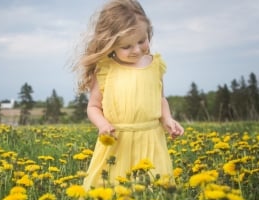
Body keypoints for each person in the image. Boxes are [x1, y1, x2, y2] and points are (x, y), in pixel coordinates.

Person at [72, 0, 184, 190]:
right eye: (126, 46)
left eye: (142, 41)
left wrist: (167, 119)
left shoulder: (155, 65)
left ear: (148, 33)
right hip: (118, 141)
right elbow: (93, 106)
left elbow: (160, 98)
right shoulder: (106, 69)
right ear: (110, 45)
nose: (137, 50)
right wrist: (102, 125)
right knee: (112, 190)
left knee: (153, 189)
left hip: (151, 139)